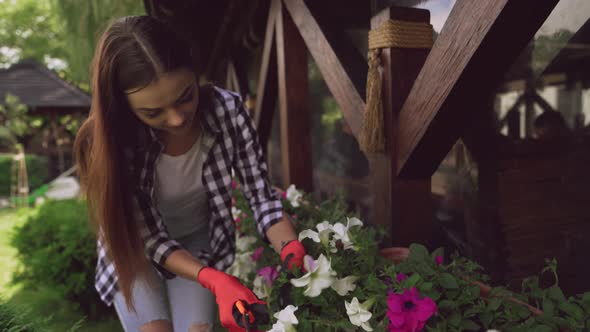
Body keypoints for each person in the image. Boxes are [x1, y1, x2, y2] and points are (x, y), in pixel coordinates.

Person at [73, 16, 306, 332]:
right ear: (124, 105)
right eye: (152, 112)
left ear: (195, 72)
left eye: (185, 97)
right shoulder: (112, 141)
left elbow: (262, 198)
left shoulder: (228, 111)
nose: (177, 119)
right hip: (134, 248)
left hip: (195, 238)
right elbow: (150, 238)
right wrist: (214, 278)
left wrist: (292, 250)